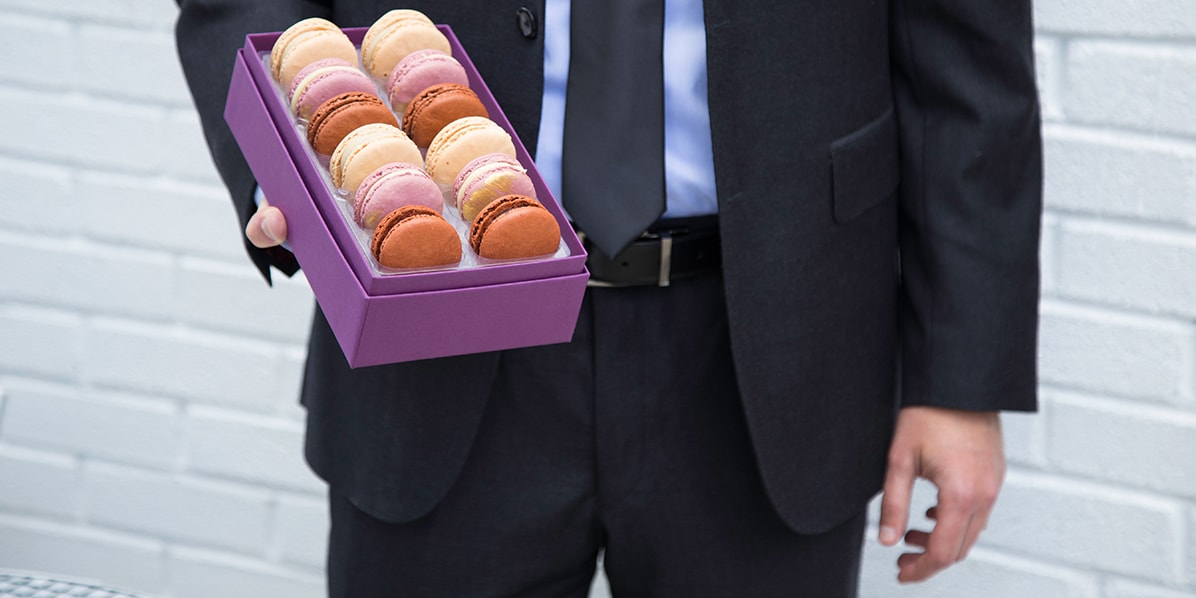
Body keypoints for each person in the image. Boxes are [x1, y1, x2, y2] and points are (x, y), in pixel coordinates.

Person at [175, 0, 1041, 596]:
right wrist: (280, 155)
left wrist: (959, 372)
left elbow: (965, 65)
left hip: (773, 352)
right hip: (434, 320)